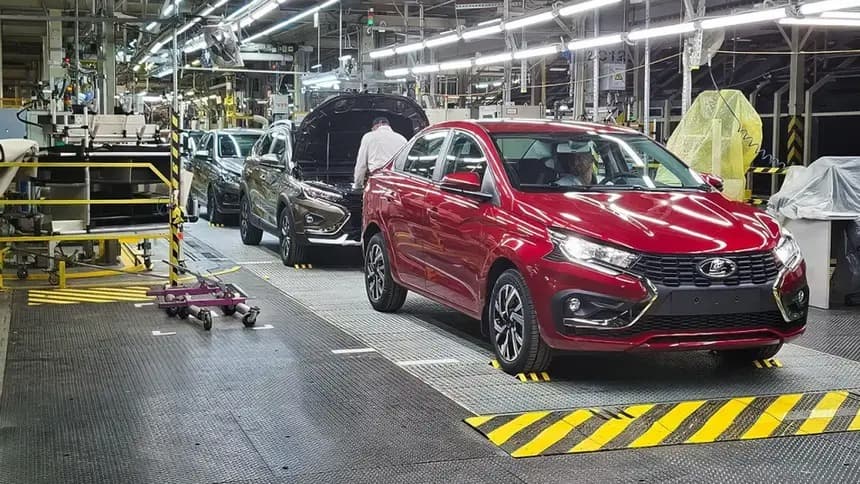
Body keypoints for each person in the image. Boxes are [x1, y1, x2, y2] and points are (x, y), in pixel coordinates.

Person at [353, 116, 408, 189]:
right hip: (398, 181)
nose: (372, 130)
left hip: (378, 181)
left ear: (379, 124)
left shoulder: (369, 136)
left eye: (372, 128)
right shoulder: (402, 139)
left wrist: (358, 185)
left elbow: (361, 164)